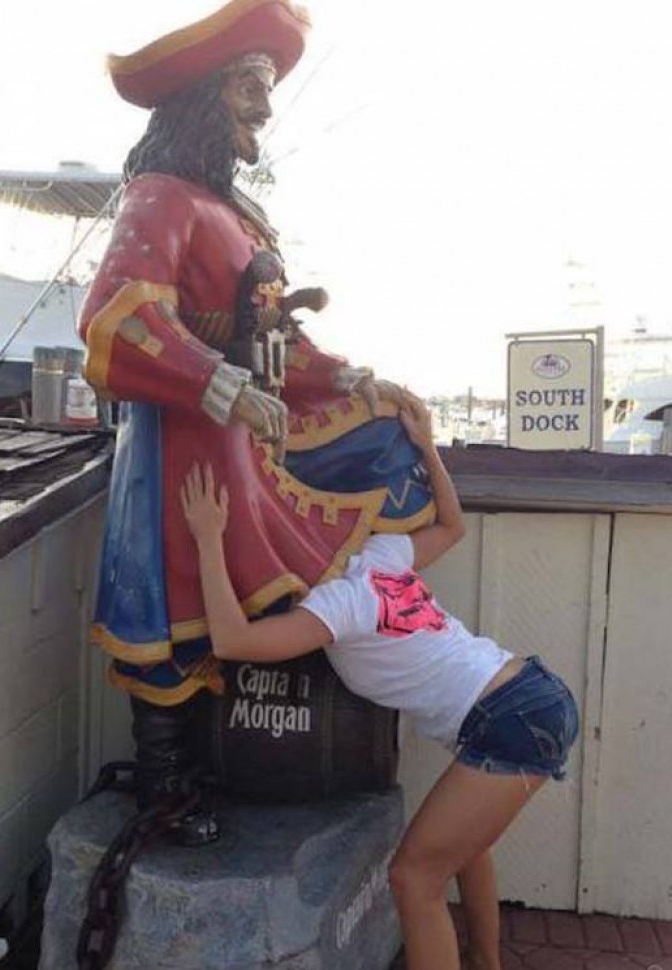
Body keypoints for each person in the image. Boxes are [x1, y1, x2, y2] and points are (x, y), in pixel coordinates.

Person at [78, 0, 434, 806]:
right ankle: (167, 779)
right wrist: (216, 382)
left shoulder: (238, 215)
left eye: (265, 89)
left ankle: (235, 744)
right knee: (174, 600)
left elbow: (271, 334)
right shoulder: (160, 196)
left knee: (386, 438)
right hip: (185, 444)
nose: (265, 110)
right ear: (203, 96)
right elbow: (115, 317)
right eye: (249, 87)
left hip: (253, 434)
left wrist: (343, 378)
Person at [179, 392, 580, 970]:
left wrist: (208, 539)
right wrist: (427, 447)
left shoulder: (341, 602)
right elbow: (452, 527)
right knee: (463, 849)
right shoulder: (380, 555)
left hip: (506, 718)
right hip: (529, 690)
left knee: (413, 878)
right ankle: (486, 962)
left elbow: (233, 641)